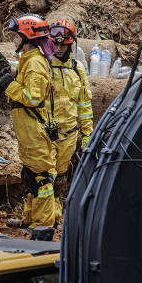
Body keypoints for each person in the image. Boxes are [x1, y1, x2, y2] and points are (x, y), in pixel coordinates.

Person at [0, 14, 57, 241]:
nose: (12, 40)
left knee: (41, 177)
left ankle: (44, 223)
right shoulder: (28, 59)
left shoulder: (35, 63)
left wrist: (9, 86)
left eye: (15, 36)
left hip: (34, 127)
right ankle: (31, 219)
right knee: (30, 175)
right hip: (28, 128)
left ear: (27, 37)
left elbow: (33, 97)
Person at [46, 19, 93, 218]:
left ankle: (56, 215)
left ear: (70, 44)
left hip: (70, 134)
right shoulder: (44, 66)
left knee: (60, 178)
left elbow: (84, 104)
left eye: (62, 44)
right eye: (55, 44)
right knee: (44, 177)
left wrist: (88, 133)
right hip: (47, 133)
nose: (58, 48)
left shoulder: (77, 68)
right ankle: (47, 219)